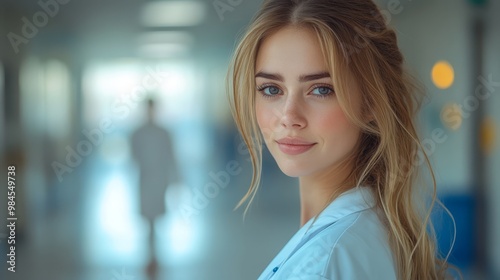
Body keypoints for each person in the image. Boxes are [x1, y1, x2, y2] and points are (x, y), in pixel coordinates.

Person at [226, 0, 455, 279]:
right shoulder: (371, 229)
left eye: (321, 89)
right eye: (271, 88)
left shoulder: (325, 262)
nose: (289, 116)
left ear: (371, 102)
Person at [130, 98, 179, 279]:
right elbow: (134, 156)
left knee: (155, 217)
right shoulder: (138, 133)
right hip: (146, 179)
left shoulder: (163, 133)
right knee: (148, 218)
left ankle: (154, 253)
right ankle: (151, 253)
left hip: (159, 180)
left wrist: (175, 180)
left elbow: (171, 156)